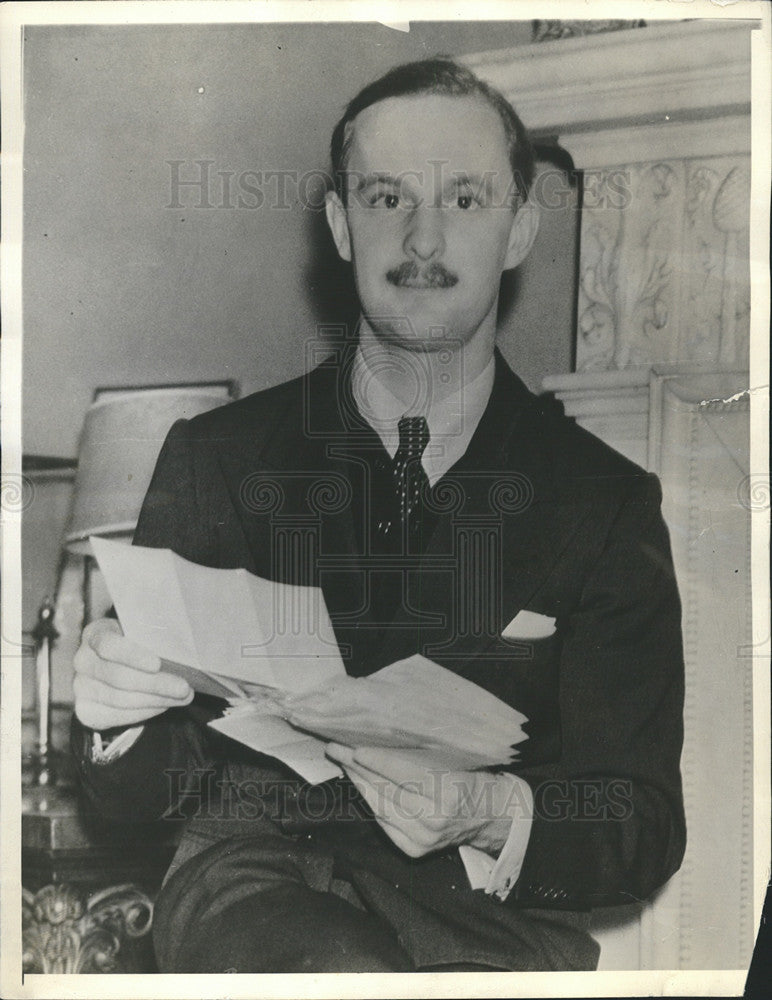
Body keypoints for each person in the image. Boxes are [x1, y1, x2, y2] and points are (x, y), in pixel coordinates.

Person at [71, 58, 686, 973]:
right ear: (340, 226)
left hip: (484, 937)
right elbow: (144, 798)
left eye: (465, 200)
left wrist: (490, 811)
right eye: (387, 196)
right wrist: (116, 720)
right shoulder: (223, 459)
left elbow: (640, 822)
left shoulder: (602, 501)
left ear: (519, 229)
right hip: (258, 900)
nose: (423, 237)